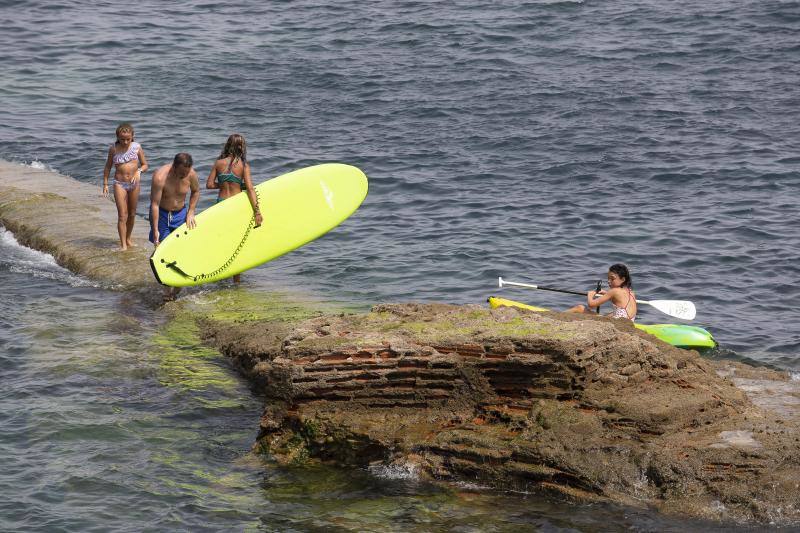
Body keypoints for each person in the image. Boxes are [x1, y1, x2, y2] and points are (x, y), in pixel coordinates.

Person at [205, 133, 263, 283]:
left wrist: (224, 184)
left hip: (221, 204)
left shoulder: (219, 163)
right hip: (236, 206)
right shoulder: (244, 166)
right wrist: (257, 211)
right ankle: (236, 281)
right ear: (241, 147)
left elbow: (209, 185)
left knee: (224, 241)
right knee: (238, 244)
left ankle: (220, 275)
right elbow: (250, 189)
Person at [149, 153, 200, 300]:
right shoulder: (160, 177)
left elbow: (196, 192)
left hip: (180, 214)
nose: (185, 175)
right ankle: (167, 289)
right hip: (163, 213)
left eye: (187, 172)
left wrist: (191, 212)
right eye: (182, 173)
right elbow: (155, 204)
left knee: (182, 249)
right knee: (164, 251)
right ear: (174, 166)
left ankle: (178, 283)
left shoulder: (191, 174)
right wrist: (156, 229)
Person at [102, 123, 149, 250]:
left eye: (128, 139)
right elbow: (108, 167)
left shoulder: (137, 147)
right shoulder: (113, 149)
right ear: (117, 137)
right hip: (119, 184)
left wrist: (139, 171)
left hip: (134, 184)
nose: (125, 141)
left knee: (132, 214)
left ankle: (128, 239)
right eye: (122, 139)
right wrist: (105, 183)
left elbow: (145, 165)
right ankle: (123, 245)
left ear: (132, 136)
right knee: (123, 215)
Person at [567, 263, 637, 321]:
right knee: (610, 314)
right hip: (629, 323)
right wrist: (606, 294)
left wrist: (590, 295)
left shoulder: (614, 291)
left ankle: (557, 317)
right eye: (608, 278)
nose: (609, 281)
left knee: (580, 308)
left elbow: (591, 305)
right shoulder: (631, 292)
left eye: (612, 278)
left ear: (623, 279)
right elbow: (619, 301)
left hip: (618, 324)